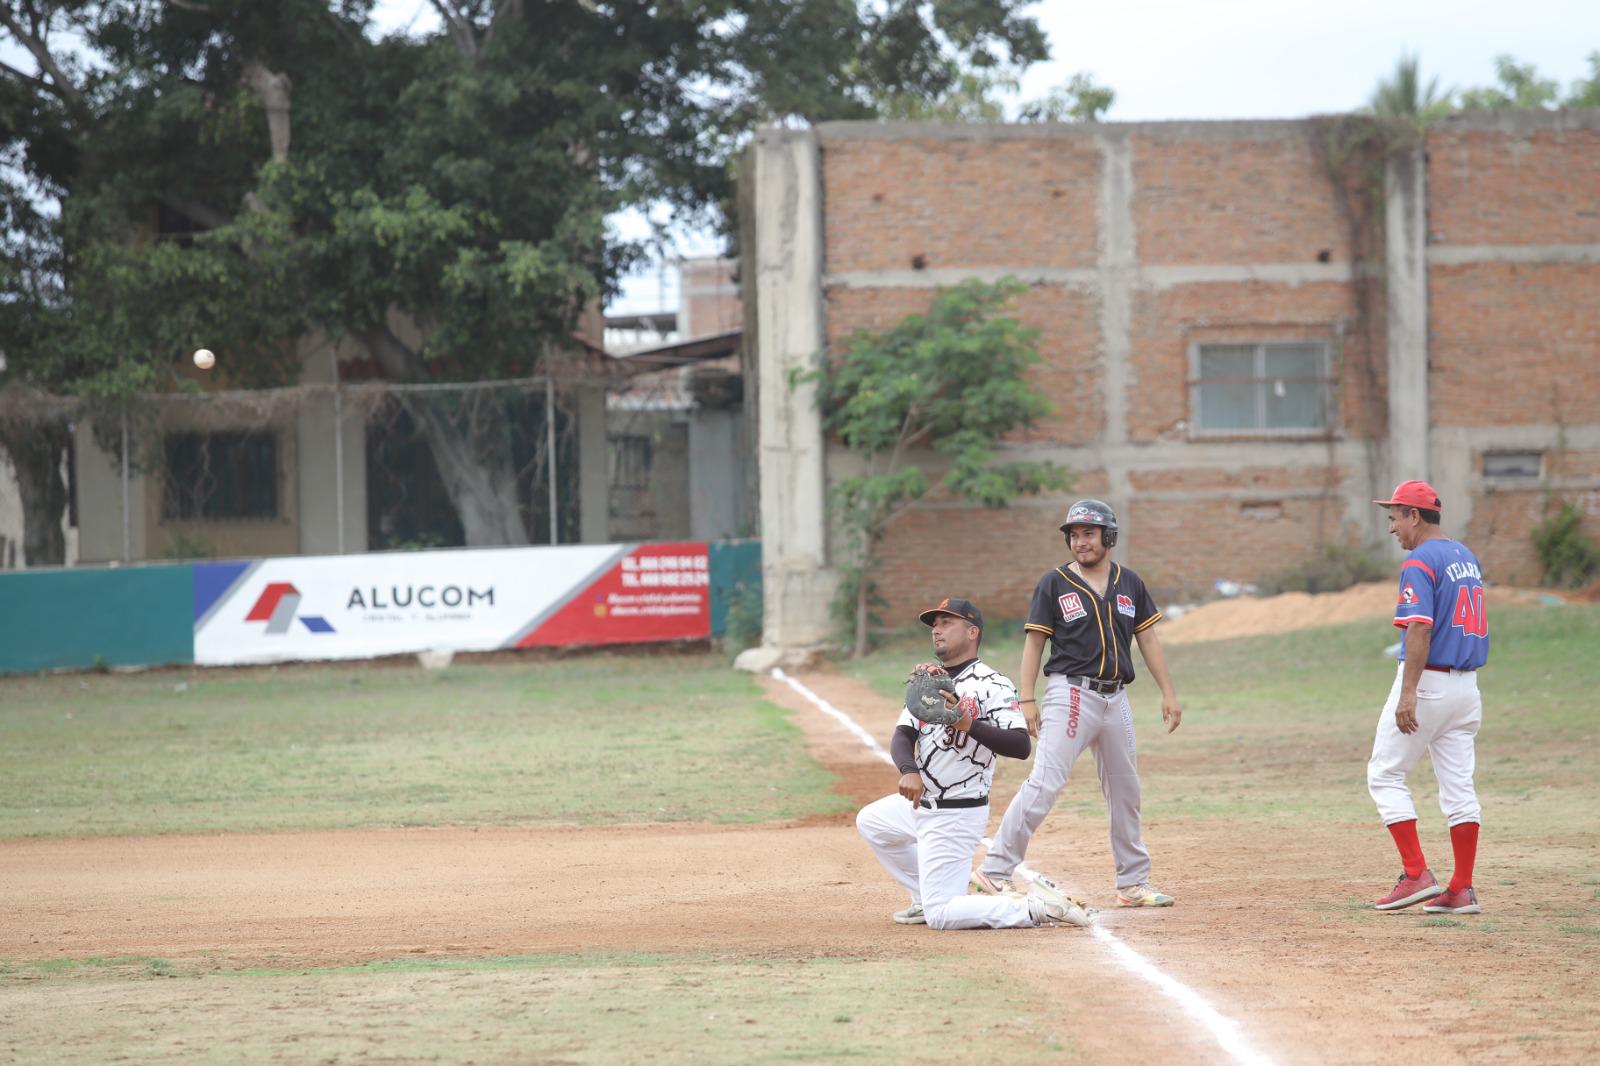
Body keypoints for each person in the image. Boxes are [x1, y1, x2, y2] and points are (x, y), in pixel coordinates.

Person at [972, 499, 1181, 908]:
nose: (1080, 542)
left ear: (1109, 537)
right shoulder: (1054, 583)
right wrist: (1027, 698)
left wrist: (1168, 692)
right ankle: (994, 870)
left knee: (1125, 789)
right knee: (1045, 782)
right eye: (1073, 534)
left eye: (1088, 533)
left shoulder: (1129, 582)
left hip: (1115, 696)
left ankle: (1133, 883)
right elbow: (1035, 642)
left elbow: (1148, 639)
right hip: (1070, 693)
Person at [856, 597, 1090, 930]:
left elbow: (1020, 745)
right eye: (934, 624)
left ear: (972, 632)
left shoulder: (993, 685)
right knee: (872, 822)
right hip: (923, 805)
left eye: (946, 623)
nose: (937, 630)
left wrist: (968, 724)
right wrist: (909, 770)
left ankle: (1035, 908)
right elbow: (903, 735)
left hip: (956, 813)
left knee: (942, 916)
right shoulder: (930, 682)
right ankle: (924, 896)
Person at [1367, 481, 1488, 914]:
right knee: (1459, 788)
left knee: (1385, 774)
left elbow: (1420, 627)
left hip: (1431, 682)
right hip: (1467, 687)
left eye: (1395, 516)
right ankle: (1461, 887)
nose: (1392, 527)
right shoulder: (1465, 555)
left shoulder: (1420, 560)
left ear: (1414, 516)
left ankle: (1416, 872)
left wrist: (1409, 693)